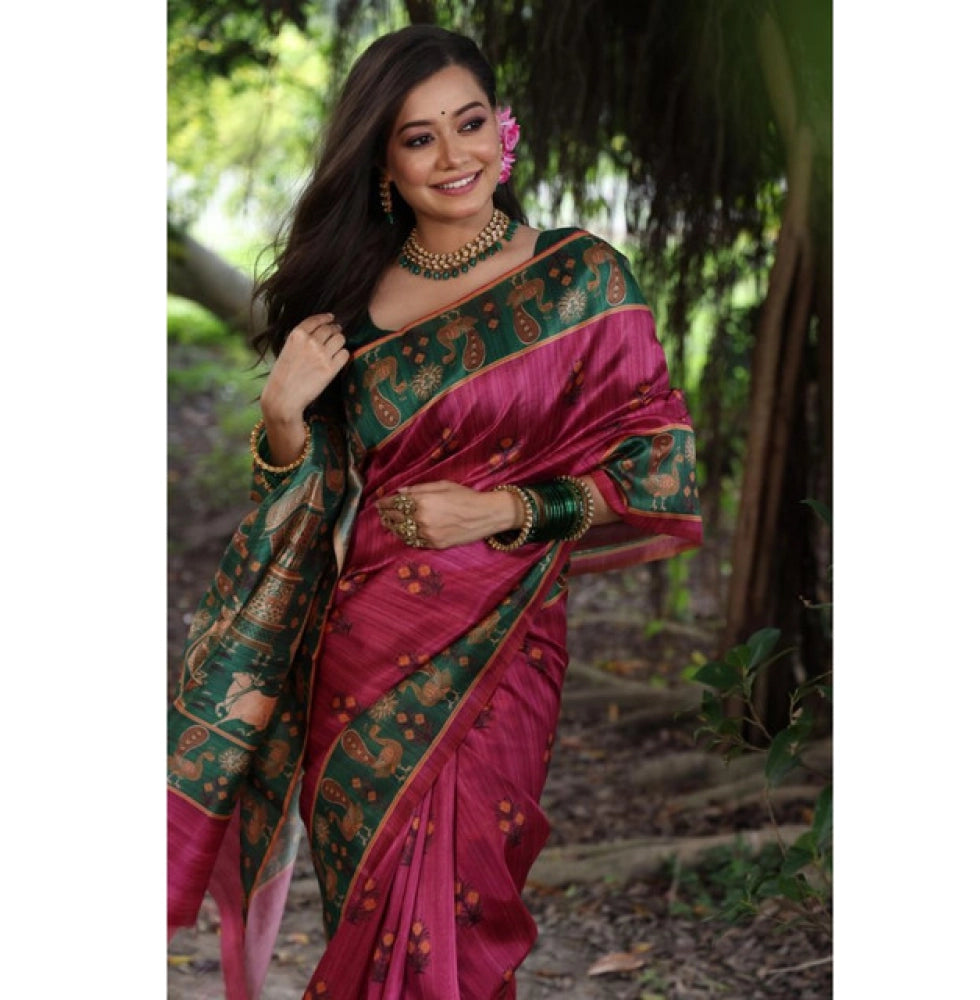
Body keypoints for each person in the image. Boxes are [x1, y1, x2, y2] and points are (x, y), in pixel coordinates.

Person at [167, 23, 702, 1000]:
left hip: (509, 649)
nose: (454, 155)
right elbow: (304, 506)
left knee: (462, 912)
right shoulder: (346, 313)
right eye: (419, 137)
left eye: (469, 124)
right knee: (379, 920)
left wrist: (501, 509)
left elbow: (656, 465)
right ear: (383, 163)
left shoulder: (582, 279)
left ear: (504, 130)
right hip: (363, 661)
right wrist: (282, 417)